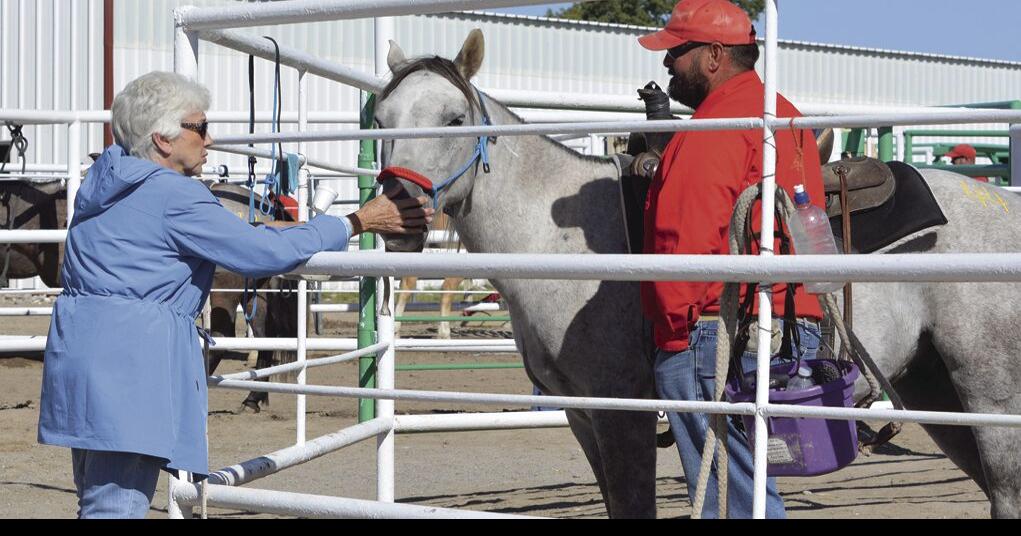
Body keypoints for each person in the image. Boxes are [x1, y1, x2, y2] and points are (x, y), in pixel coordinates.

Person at [36, 71, 432, 519]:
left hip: (85, 360)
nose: (209, 139)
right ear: (163, 140)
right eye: (200, 127)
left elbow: (224, 234)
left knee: (98, 497)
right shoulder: (173, 195)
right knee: (116, 508)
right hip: (132, 366)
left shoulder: (104, 182)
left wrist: (294, 228)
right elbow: (261, 252)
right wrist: (356, 221)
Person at [636, 0, 826, 519]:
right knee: (751, 483)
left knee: (730, 495)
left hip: (716, 333)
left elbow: (686, 238)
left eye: (677, 51)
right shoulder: (783, 113)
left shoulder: (716, 124)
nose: (667, 62)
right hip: (787, 322)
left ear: (714, 55)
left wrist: (673, 336)